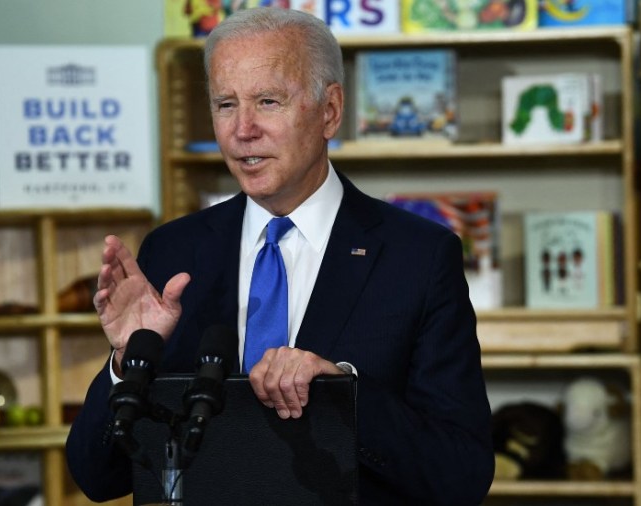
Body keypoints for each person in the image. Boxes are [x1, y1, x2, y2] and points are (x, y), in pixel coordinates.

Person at [66, 7, 494, 504]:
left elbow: (460, 476)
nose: (243, 129)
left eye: (268, 101)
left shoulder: (418, 257)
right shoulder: (174, 251)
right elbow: (98, 479)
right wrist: (126, 362)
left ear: (329, 110)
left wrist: (343, 397)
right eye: (225, 104)